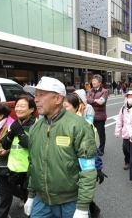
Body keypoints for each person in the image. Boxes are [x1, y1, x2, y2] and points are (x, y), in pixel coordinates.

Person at [24, 76, 97, 218]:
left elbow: (88, 170)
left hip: (71, 202)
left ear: (58, 99)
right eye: (35, 95)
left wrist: (82, 206)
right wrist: (31, 194)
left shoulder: (78, 125)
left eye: (41, 95)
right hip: (41, 201)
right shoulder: (35, 128)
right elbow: (33, 164)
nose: (36, 99)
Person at [63, 93, 107, 217]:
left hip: (78, 167)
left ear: (78, 106)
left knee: (78, 192)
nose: (62, 109)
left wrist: (97, 168)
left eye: (65, 106)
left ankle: (90, 209)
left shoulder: (84, 124)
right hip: (63, 168)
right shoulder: (55, 122)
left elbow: (91, 150)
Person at [1, 95, 36, 210]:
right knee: (24, 197)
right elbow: (5, 144)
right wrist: (11, 133)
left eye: (23, 106)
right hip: (16, 167)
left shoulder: (36, 125)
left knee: (32, 201)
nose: (18, 109)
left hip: (31, 169)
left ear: (32, 109)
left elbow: (32, 145)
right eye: (17, 106)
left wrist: (20, 132)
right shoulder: (13, 124)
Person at [0, 102, 15, 218]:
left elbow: (20, 146)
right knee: (7, 188)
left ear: (0, 116)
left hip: (10, 164)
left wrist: (7, 151)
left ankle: (2, 215)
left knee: (5, 190)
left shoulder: (11, 126)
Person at [87, 74, 108, 156]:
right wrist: (95, 100)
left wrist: (92, 100)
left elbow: (101, 102)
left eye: (94, 80)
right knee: (90, 133)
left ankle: (101, 149)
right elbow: (86, 100)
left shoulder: (104, 91)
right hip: (90, 116)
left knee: (101, 134)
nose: (93, 82)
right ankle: (91, 147)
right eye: (92, 81)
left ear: (99, 82)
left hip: (100, 116)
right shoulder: (90, 91)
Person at [115, 91, 132, 170]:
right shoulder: (123, 108)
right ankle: (127, 161)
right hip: (126, 133)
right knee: (125, 148)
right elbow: (119, 120)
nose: (130, 98)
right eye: (129, 97)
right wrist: (117, 132)